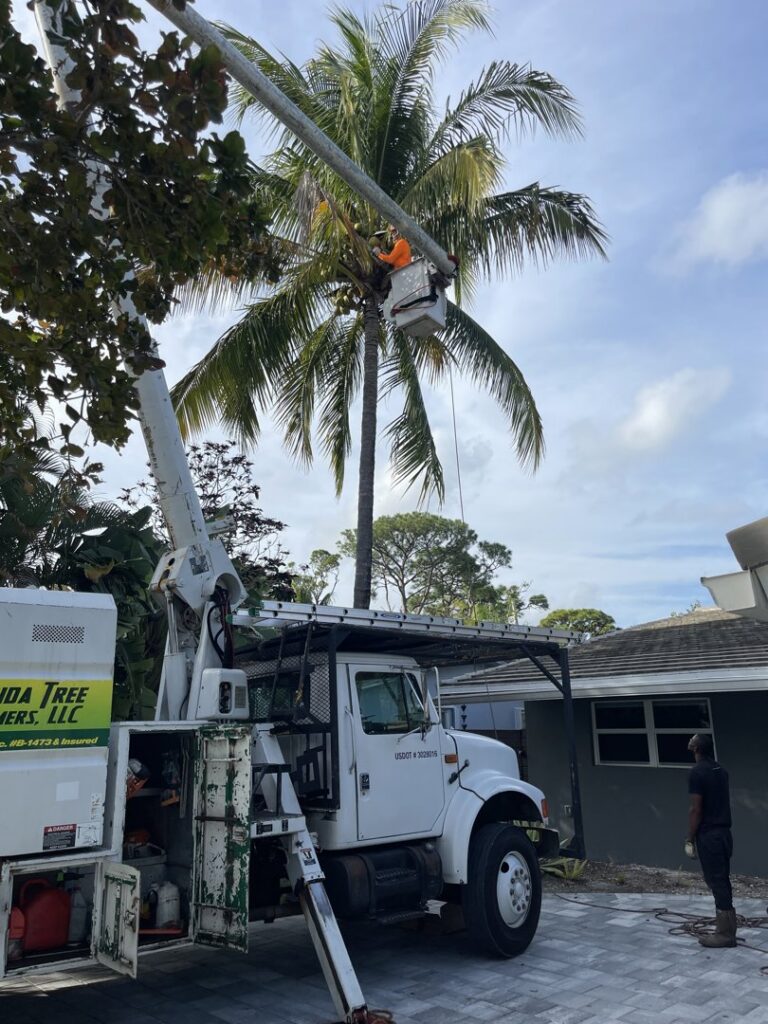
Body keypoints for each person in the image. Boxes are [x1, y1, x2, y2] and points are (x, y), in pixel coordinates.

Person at [685, 733, 736, 948]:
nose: (689, 741)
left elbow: (696, 809)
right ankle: (727, 927)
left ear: (696, 748)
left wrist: (690, 838)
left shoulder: (697, 773)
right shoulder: (720, 771)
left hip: (710, 835)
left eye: (692, 740)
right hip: (725, 834)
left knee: (717, 882)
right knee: (721, 879)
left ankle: (725, 934)